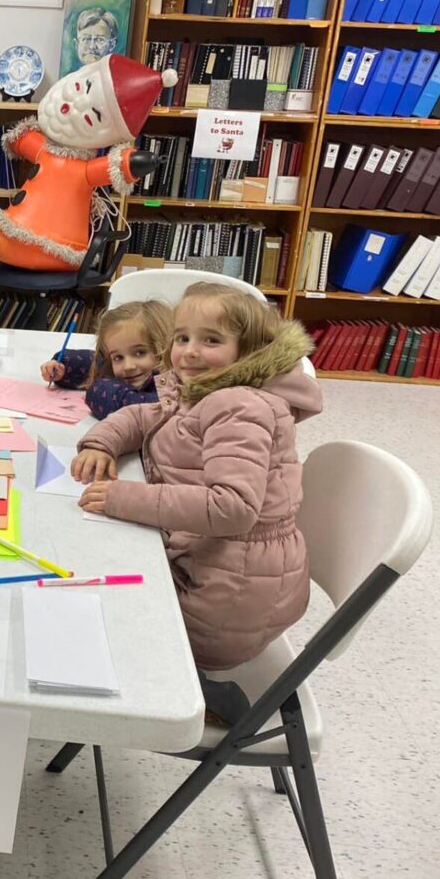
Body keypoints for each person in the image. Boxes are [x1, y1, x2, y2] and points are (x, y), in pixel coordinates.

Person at [70, 283, 322, 719]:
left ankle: (199, 695)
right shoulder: (206, 388)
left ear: (249, 351)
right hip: (218, 565)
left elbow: (233, 508)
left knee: (82, 609)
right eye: (182, 337)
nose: (188, 352)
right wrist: (101, 444)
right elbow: (143, 415)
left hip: (226, 599)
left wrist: (126, 497)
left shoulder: (237, 404)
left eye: (211, 340)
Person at [38, 300, 172, 418]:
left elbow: (116, 399)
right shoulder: (124, 369)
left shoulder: (175, 393)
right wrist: (63, 367)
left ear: (165, 346)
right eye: (118, 357)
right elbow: (94, 363)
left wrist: (98, 389)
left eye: (140, 353)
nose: (128, 366)